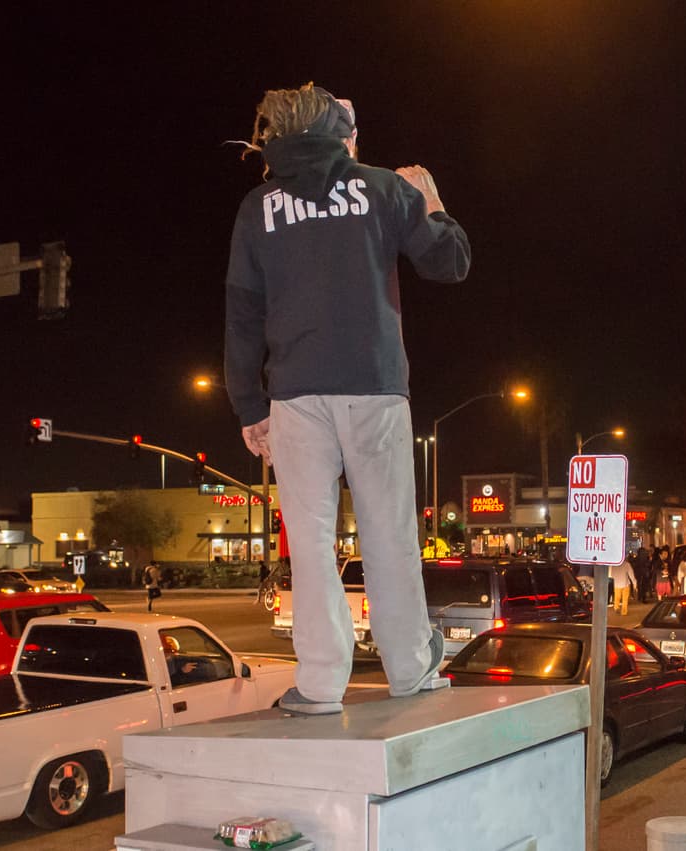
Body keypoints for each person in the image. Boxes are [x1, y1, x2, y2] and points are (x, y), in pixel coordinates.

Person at [224, 83, 469, 714]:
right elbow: (450, 263)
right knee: (389, 533)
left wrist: (249, 404)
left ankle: (322, 682)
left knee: (307, 541)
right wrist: (431, 199)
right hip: (375, 386)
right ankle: (411, 669)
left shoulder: (258, 206)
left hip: (296, 396)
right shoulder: (385, 188)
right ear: (341, 134)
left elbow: (243, 311)